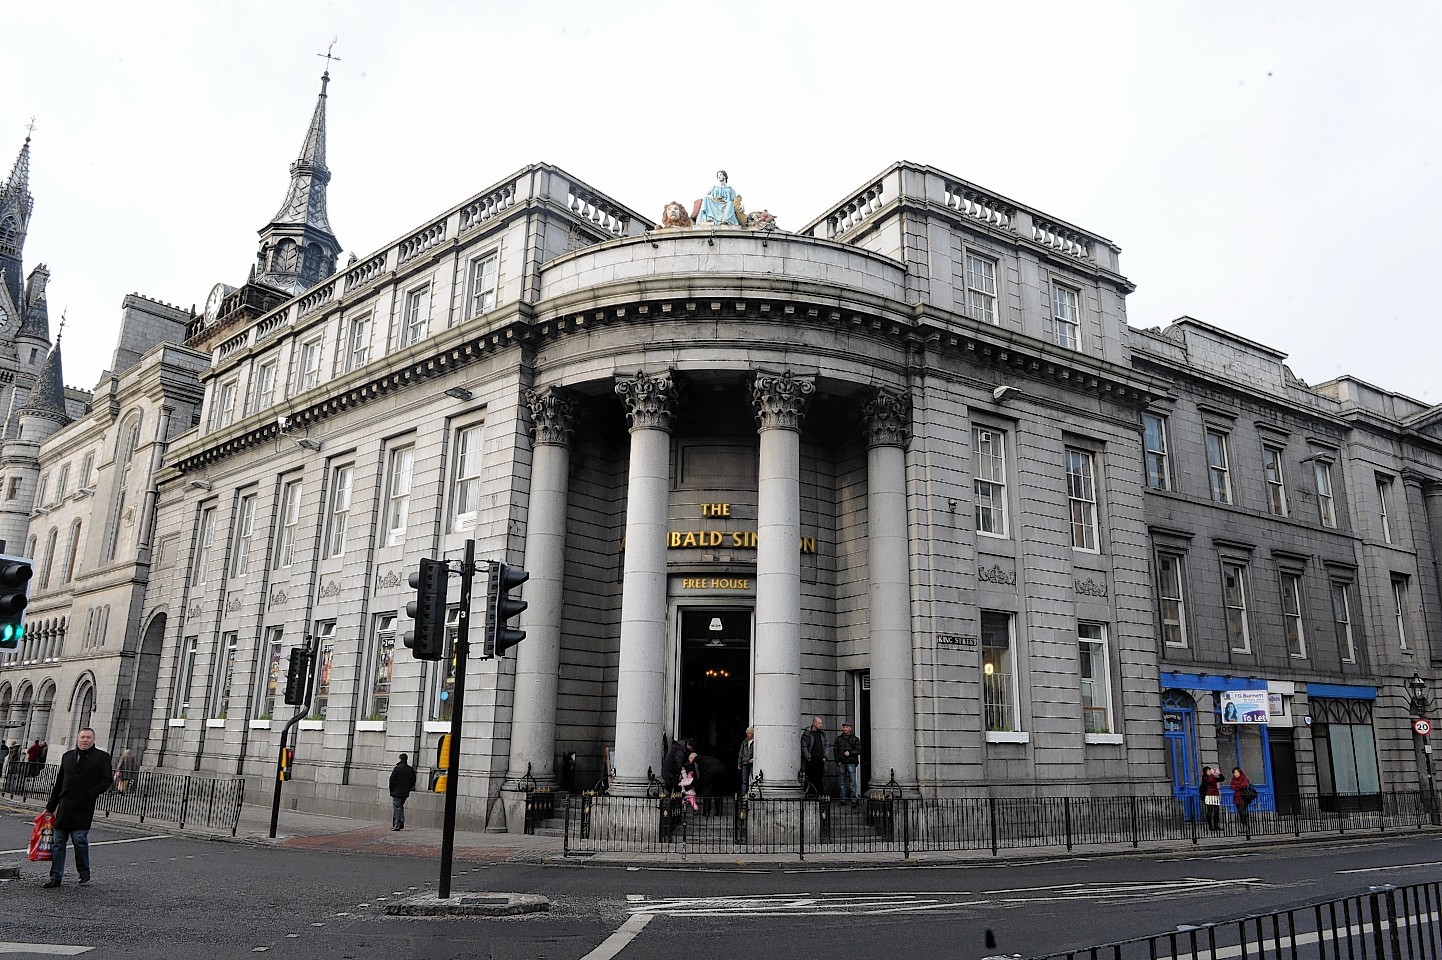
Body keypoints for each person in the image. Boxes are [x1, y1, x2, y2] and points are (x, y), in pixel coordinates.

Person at [42, 727, 113, 888]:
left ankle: (84, 871)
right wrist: (50, 806)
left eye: (88, 737)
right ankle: (56, 876)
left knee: (79, 840)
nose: (85, 740)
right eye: (82, 737)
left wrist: (90, 794)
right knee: (58, 842)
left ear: (93, 739)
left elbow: (106, 780)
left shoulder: (102, 757)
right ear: (77, 738)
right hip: (65, 806)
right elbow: (59, 782)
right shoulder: (67, 757)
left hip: (83, 806)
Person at [834, 722, 863, 808]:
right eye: (844, 727)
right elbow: (835, 750)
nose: (845, 729)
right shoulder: (838, 739)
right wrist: (837, 760)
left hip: (851, 762)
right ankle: (843, 799)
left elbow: (859, 750)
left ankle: (853, 799)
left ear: (850, 728)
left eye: (846, 727)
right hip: (842, 762)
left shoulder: (855, 739)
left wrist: (850, 753)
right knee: (842, 782)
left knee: (852, 782)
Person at [800, 717, 829, 797]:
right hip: (811, 759)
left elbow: (827, 745)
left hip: (820, 759)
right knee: (810, 778)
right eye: (819, 723)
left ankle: (819, 795)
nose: (821, 725)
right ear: (814, 723)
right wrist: (808, 757)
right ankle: (811, 794)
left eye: (821, 723)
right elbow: (804, 746)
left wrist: (825, 756)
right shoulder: (807, 733)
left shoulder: (822, 734)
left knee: (819, 778)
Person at [388, 753, 417, 831]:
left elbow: (392, 780)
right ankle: (400, 823)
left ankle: (398, 824)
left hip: (396, 791)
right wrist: (408, 788)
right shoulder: (410, 769)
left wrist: (391, 789)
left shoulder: (397, 768)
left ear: (400, 759)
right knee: (400, 806)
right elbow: (413, 781)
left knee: (397, 808)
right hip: (405, 792)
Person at [1200, 765, 1222, 831]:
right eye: (1208, 770)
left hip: (1215, 795)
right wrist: (1212, 774)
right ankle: (1210, 825)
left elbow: (1221, 779)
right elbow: (1209, 781)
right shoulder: (1205, 777)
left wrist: (1219, 774)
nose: (1210, 772)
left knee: (1216, 811)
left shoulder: (1212, 777)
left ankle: (1216, 825)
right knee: (1209, 811)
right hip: (1208, 795)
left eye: (1210, 770)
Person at [737, 727, 755, 797]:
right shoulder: (744, 742)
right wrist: (739, 764)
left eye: (749, 733)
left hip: (752, 763)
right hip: (745, 763)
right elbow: (740, 753)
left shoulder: (755, 742)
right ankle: (744, 794)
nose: (748, 735)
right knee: (744, 781)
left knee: (753, 780)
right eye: (747, 733)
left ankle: (751, 793)